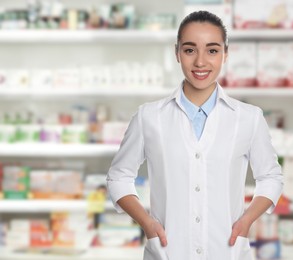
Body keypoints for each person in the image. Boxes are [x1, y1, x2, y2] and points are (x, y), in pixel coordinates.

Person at [106, 10, 283, 260]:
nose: (200, 62)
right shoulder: (150, 117)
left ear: (225, 54)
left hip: (227, 250)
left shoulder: (248, 118)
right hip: (168, 252)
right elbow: (118, 177)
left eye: (212, 50)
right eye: (190, 50)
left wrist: (246, 221)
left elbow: (271, 177)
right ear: (177, 53)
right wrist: (147, 223)